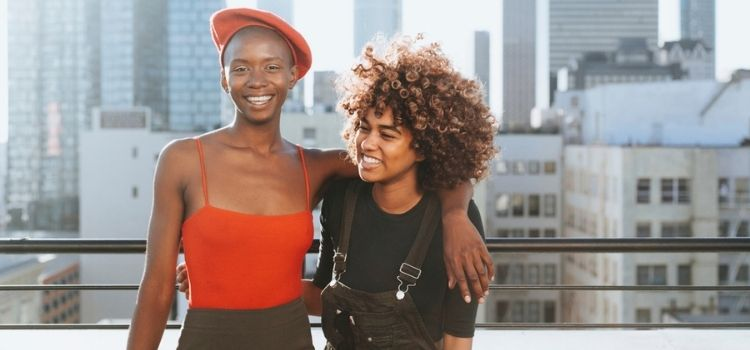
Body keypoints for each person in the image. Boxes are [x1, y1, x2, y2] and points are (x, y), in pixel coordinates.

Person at [128, 7, 491, 350]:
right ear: (224, 78)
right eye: (240, 68)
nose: (256, 80)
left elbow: (437, 163)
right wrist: (219, 275)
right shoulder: (181, 160)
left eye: (271, 66)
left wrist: (455, 216)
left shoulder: (317, 167)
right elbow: (157, 289)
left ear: (292, 76)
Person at [303, 34, 496, 349]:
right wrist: (237, 280)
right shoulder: (340, 199)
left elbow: (458, 339)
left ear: (423, 147)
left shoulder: (457, 221)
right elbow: (321, 293)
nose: (367, 143)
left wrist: (456, 215)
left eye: (387, 134)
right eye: (364, 127)